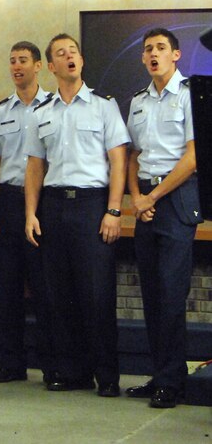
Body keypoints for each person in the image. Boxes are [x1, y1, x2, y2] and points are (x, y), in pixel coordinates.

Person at [24, 33, 129, 398]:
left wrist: (114, 210)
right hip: (53, 206)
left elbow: (119, 161)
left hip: (92, 206)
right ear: (51, 67)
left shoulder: (103, 107)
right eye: (60, 54)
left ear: (81, 61)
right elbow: (35, 167)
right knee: (60, 295)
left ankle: (107, 374)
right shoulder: (42, 112)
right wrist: (30, 214)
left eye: (74, 52)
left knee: (96, 295)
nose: (69, 57)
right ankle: (73, 371)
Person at [125, 28, 201, 409]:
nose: (153, 54)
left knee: (172, 295)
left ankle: (173, 382)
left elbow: (193, 157)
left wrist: (153, 196)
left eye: (160, 48)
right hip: (146, 204)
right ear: (143, 59)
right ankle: (160, 375)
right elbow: (134, 156)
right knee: (152, 296)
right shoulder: (137, 101)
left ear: (176, 55)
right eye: (148, 50)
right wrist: (138, 198)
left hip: (175, 202)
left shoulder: (190, 96)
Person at [0, 41, 53, 384]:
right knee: (6, 288)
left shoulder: (55, 107)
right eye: (12, 61)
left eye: (23, 60)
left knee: (44, 287)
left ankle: (51, 364)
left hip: (43, 202)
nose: (16, 67)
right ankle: (12, 363)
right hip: (7, 202)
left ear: (38, 66)